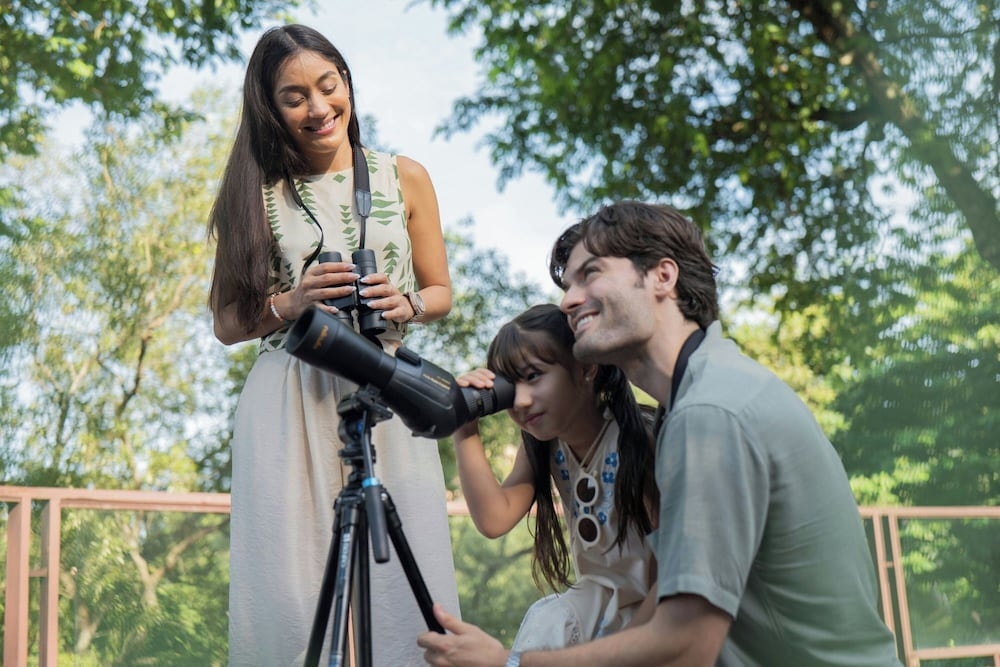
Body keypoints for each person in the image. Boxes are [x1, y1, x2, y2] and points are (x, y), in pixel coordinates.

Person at [418, 201, 903, 666]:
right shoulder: (696, 399)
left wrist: (512, 664)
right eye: (568, 285)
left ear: (662, 276)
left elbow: (683, 645)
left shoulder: (709, 413)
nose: (568, 301)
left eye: (590, 274)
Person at [207, 24, 459, 666]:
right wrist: (290, 303)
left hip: (388, 382)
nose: (318, 108)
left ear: (347, 82)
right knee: (288, 593)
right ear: (272, 109)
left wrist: (408, 304)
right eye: (294, 97)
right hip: (289, 394)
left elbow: (440, 291)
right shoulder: (253, 192)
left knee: (407, 584)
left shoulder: (406, 176)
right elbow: (226, 323)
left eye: (329, 85)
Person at [452, 303, 657, 655]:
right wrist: (464, 428)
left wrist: (624, 652)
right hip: (598, 611)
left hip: (656, 616)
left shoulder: (638, 442)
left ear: (586, 367)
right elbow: (493, 518)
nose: (521, 401)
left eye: (533, 376)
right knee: (550, 621)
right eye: (508, 387)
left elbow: (676, 569)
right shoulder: (545, 447)